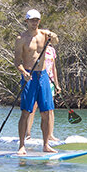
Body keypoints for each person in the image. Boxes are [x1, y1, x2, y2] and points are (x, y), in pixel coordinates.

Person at [13, 9, 60, 155]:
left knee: (46, 112)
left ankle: (46, 144)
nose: (35, 22)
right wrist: (23, 73)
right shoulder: (21, 38)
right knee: (26, 112)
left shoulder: (44, 35)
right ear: (26, 21)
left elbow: (56, 41)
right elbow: (17, 62)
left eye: (37, 20)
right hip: (29, 77)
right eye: (32, 20)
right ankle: (22, 145)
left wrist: (53, 35)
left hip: (44, 76)